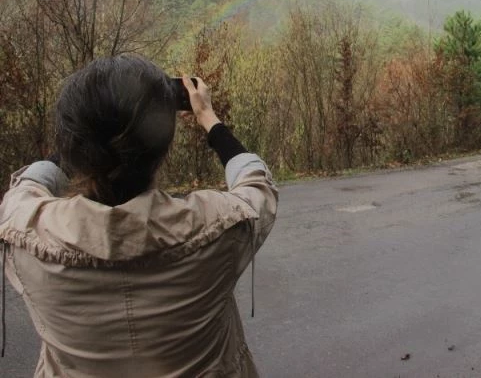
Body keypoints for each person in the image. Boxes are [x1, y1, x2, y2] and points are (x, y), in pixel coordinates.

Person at [0, 54, 278, 377]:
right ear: (163, 146)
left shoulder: (24, 232)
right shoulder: (219, 228)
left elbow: (30, 184)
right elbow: (257, 185)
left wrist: (85, 134)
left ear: (74, 144)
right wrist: (207, 116)